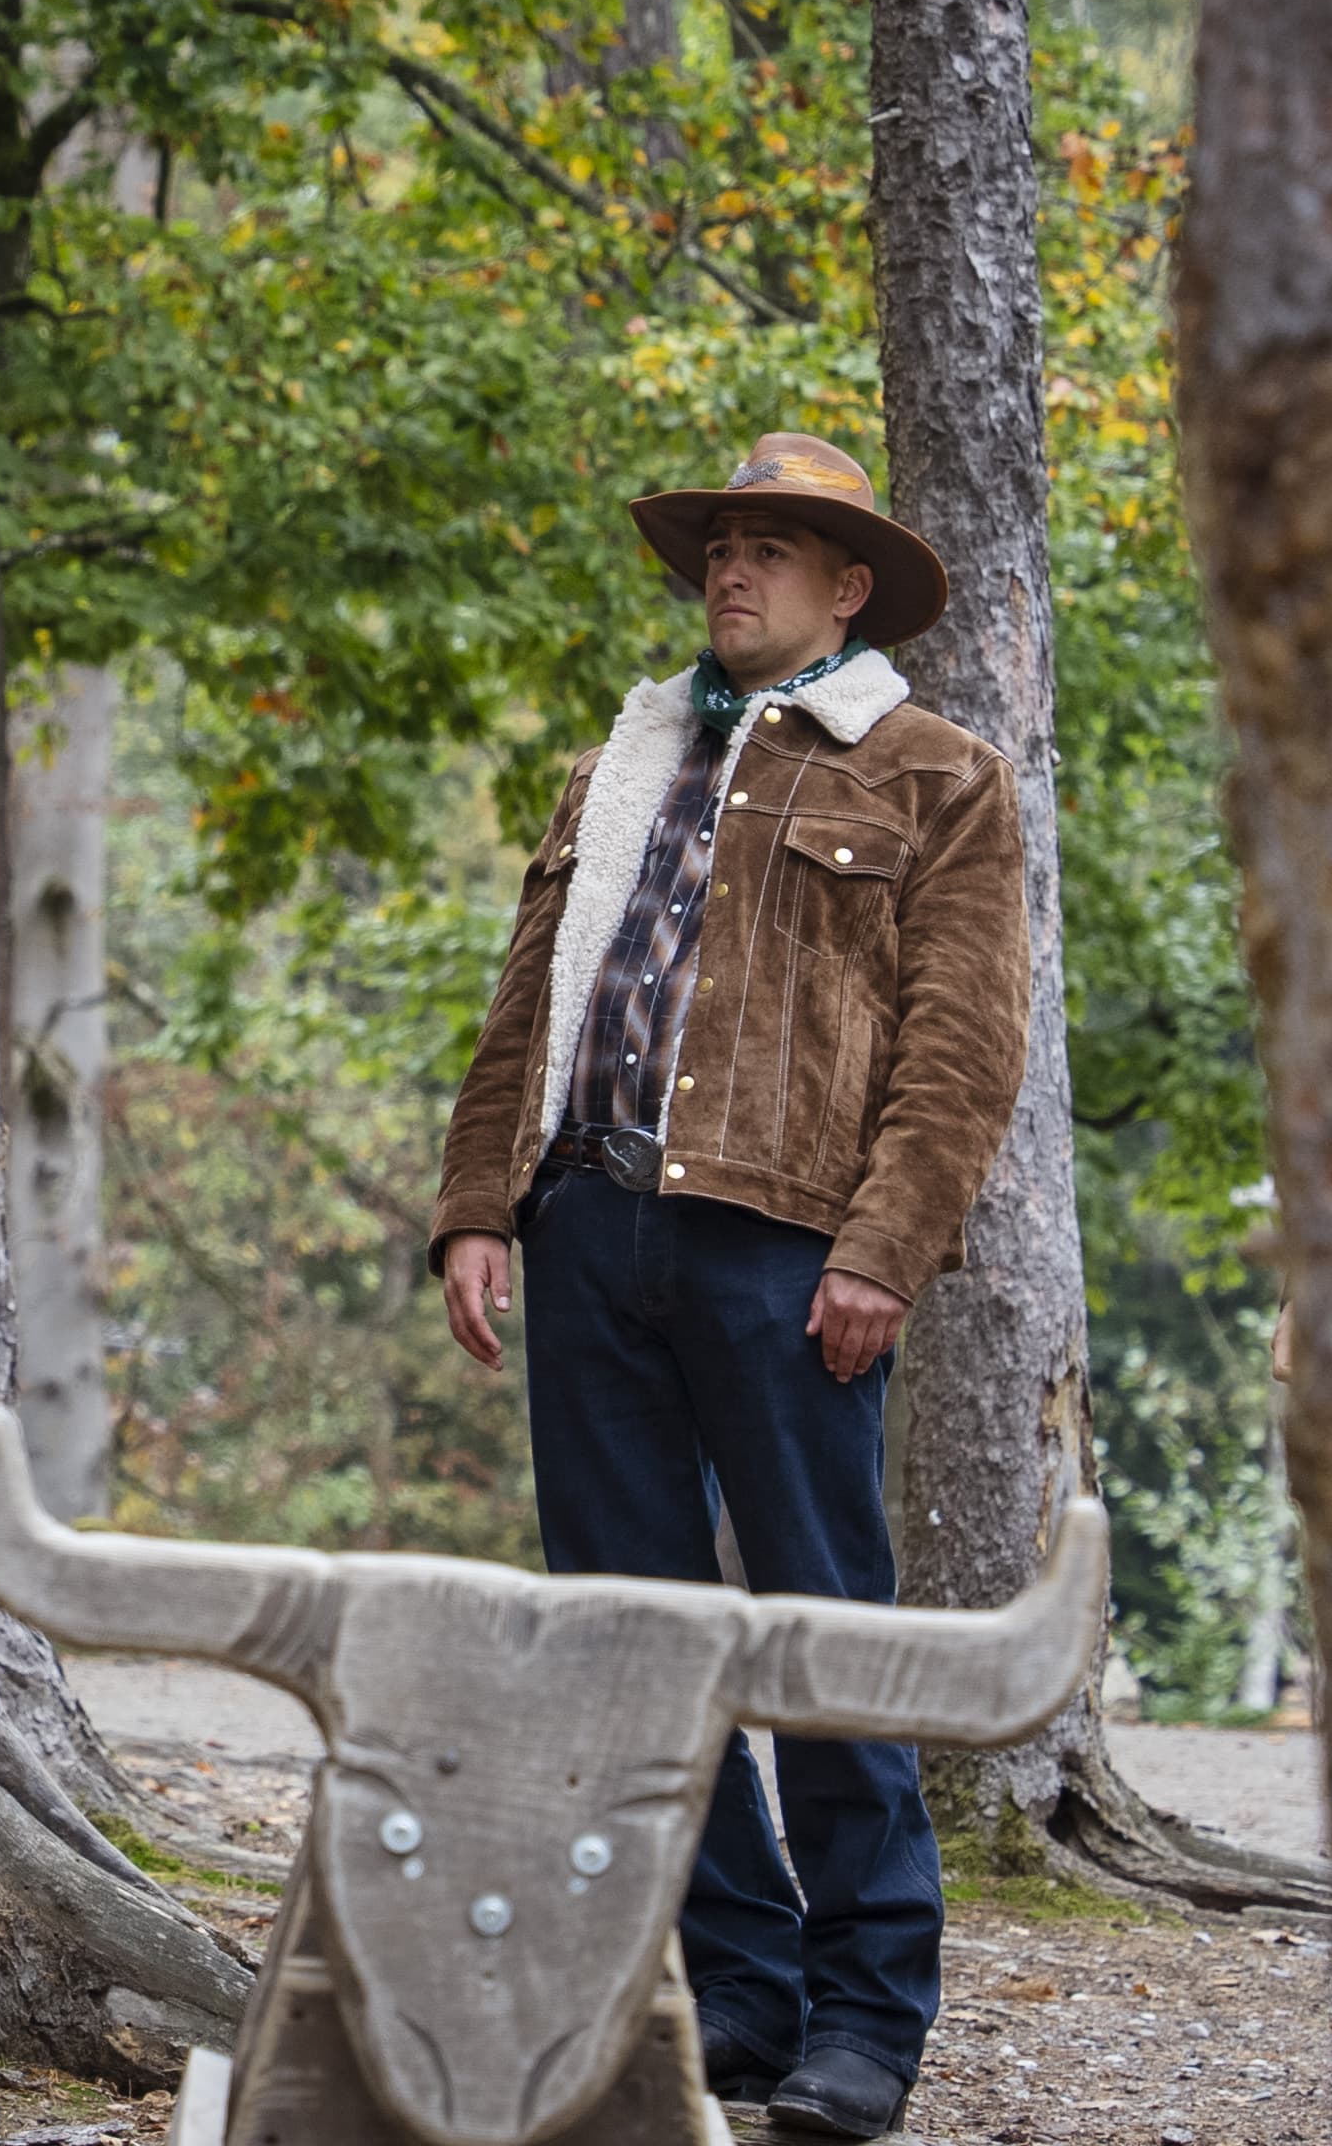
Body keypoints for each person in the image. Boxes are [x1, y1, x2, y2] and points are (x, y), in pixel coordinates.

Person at [428, 432, 1032, 2141]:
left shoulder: (939, 774)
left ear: (850, 587)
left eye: (773, 546)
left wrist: (882, 1248)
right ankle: (737, 1992)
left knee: (823, 1623)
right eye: (720, 543)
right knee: (632, 1636)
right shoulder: (618, 757)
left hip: (787, 1252)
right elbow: (526, 1003)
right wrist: (483, 1202)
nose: (733, 567)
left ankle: (867, 2012)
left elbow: (962, 1050)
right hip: (589, 1231)